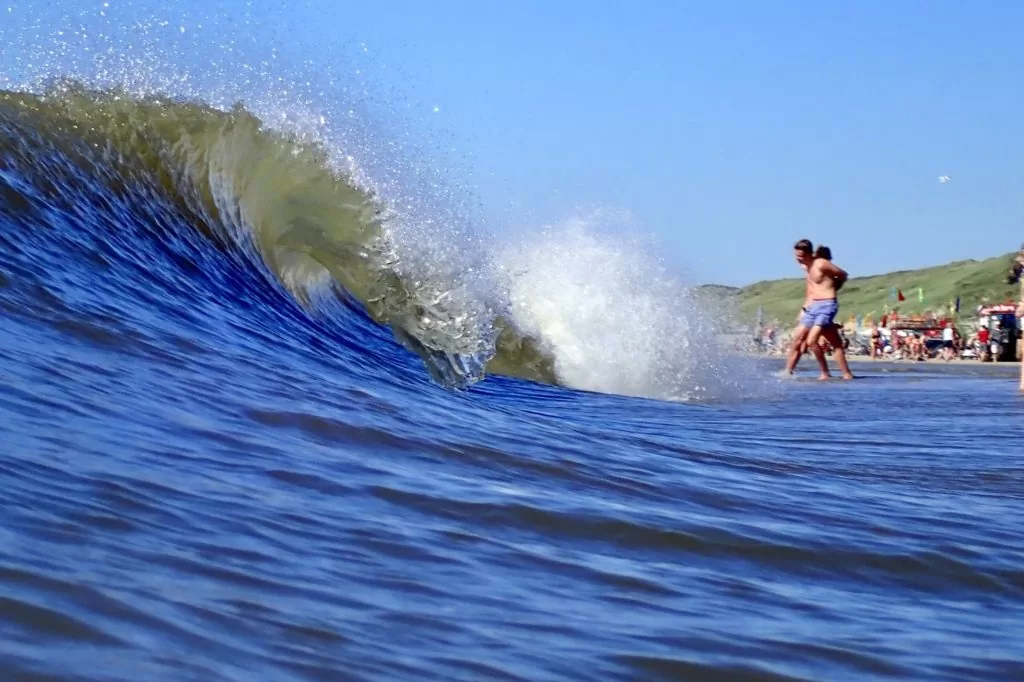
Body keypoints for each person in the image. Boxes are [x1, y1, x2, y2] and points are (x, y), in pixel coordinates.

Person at [784, 239, 855, 380]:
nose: (798, 259)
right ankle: (788, 371)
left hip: (827, 305)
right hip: (813, 307)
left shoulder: (821, 264)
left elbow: (843, 274)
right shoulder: (806, 267)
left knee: (811, 341)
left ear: (809, 254)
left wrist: (833, 288)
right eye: (796, 256)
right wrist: (804, 308)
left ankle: (825, 373)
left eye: (801, 256)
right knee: (799, 339)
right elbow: (810, 289)